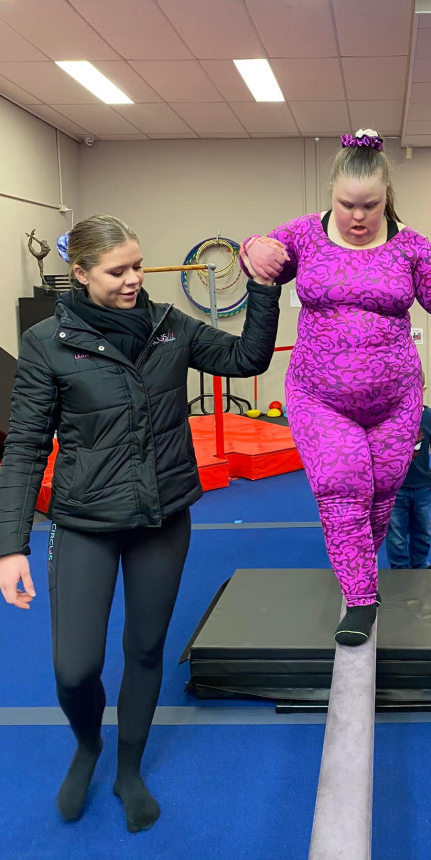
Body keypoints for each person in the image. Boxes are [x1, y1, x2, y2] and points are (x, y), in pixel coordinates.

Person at [0, 215, 280, 832]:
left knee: (145, 649)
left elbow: (246, 355)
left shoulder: (168, 327)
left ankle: (129, 766)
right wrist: (9, 546)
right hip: (84, 522)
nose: (133, 280)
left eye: (136, 265)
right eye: (117, 271)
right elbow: (23, 445)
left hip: (161, 518)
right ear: (79, 274)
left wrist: (263, 288)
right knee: (75, 669)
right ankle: (87, 744)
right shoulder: (48, 341)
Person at [241, 129, 431, 645]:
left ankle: (357, 566)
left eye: (370, 206)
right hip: (319, 397)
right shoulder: (305, 235)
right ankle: (360, 597)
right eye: (347, 204)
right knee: (342, 486)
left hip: (395, 402)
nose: (358, 216)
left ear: (386, 199)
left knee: (380, 498)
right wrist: (252, 250)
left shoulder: (410, 244)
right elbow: (265, 256)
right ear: (331, 193)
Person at [385, 373, 431, 570]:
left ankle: (419, 564)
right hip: (395, 488)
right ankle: (399, 567)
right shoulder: (388, 416)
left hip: (422, 487)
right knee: (396, 532)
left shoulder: (429, 416)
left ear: (423, 391)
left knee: (422, 529)